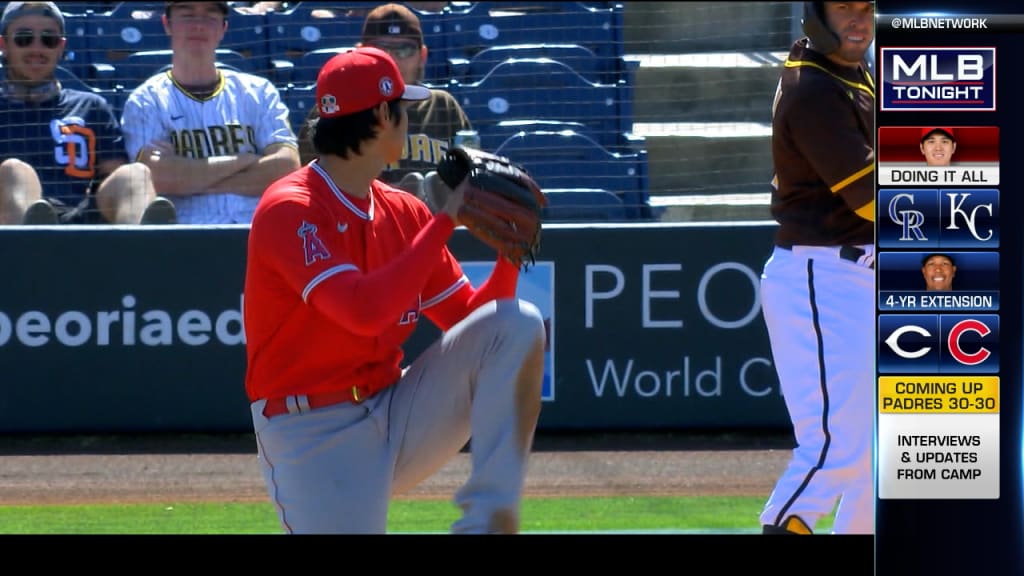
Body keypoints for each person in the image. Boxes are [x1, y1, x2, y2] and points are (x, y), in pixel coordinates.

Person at [242, 46, 546, 534]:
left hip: (396, 410)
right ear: (383, 115)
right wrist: (446, 219)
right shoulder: (290, 208)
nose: (410, 119)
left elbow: (469, 319)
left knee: (516, 323)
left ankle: (489, 517)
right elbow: (363, 311)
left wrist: (509, 254)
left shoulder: (403, 210)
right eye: (404, 108)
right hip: (310, 433)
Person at [759, 1, 875, 535]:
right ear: (816, 15)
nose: (858, 17)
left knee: (883, 457)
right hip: (823, 276)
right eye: (844, 7)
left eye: (867, 6)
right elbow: (872, 200)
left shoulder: (855, 75)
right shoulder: (814, 88)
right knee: (836, 452)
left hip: (860, 274)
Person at [120, 1, 300, 224]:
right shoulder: (146, 101)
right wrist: (246, 159)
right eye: (187, 15)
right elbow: (158, 176)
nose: (198, 25)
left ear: (223, 28)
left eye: (210, 16)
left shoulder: (259, 92)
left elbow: (286, 166)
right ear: (167, 24)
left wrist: (191, 178)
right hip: (185, 234)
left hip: (259, 229)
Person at [0, 1, 175, 225]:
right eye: (24, 38)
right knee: (15, 172)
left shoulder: (91, 107)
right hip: (11, 226)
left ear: (61, 46)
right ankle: (31, 250)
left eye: (48, 39)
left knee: (135, 174)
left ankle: (142, 252)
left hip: (81, 220)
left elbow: (113, 177)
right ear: (4, 45)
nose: (37, 48)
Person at [296, 2, 472, 209]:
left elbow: (468, 181)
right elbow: (310, 184)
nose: (393, 58)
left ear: (422, 56)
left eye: (405, 49)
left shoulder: (443, 106)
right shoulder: (338, 106)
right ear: (360, 52)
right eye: (381, 48)